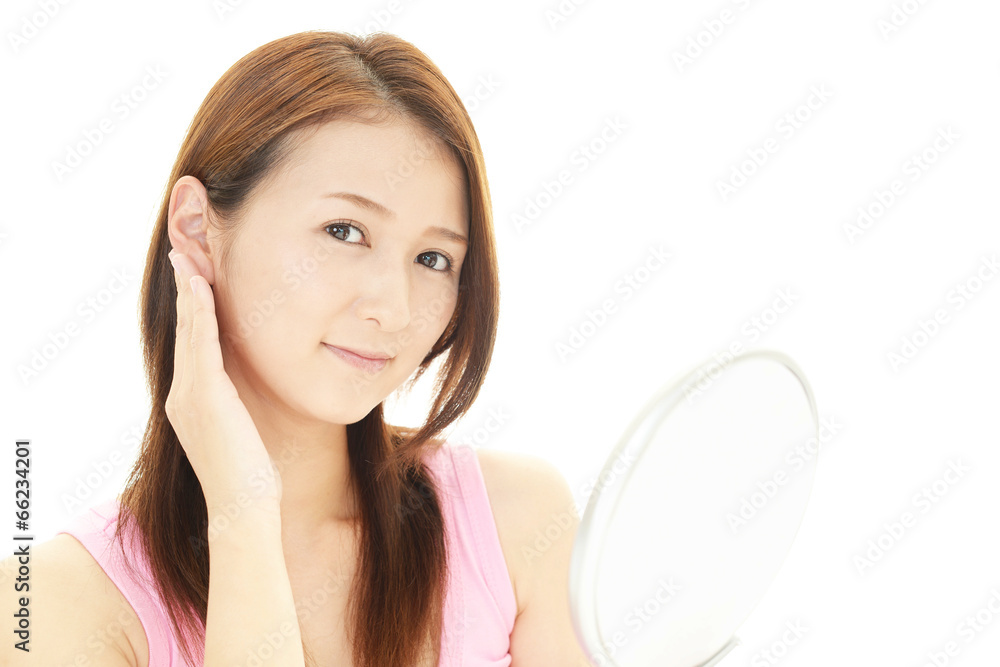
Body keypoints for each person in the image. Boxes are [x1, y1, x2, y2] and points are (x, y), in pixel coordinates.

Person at [0, 30, 591, 666]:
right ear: (197, 228)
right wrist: (243, 513)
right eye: (345, 230)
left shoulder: (515, 526)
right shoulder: (49, 604)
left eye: (433, 258)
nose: (393, 308)